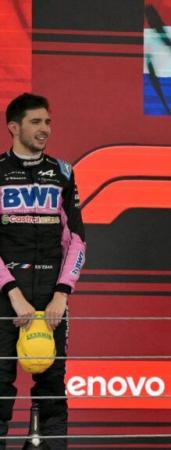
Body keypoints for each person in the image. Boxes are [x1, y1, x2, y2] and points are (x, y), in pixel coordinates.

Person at [0, 93, 86, 449]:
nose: (45, 129)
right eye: (36, 122)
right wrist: (13, 294)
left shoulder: (63, 173)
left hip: (52, 297)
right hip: (6, 298)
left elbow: (78, 241)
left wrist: (62, 294)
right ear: (14, 127)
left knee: (52, 388)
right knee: (0, 384)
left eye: (48, 122)